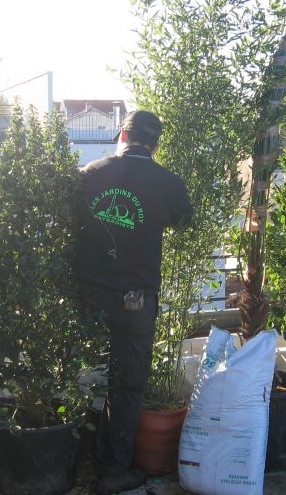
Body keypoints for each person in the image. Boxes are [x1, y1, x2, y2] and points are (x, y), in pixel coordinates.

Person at [76, 111, 192, 495]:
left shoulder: (90, 173)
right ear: (155, 144)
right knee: (127, 385)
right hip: (134, 301)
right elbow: (183, 220)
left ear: (121, 134)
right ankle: (113, 470)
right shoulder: (168, 183)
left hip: (86, 295)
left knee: (76, 376)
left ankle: (79, 461)